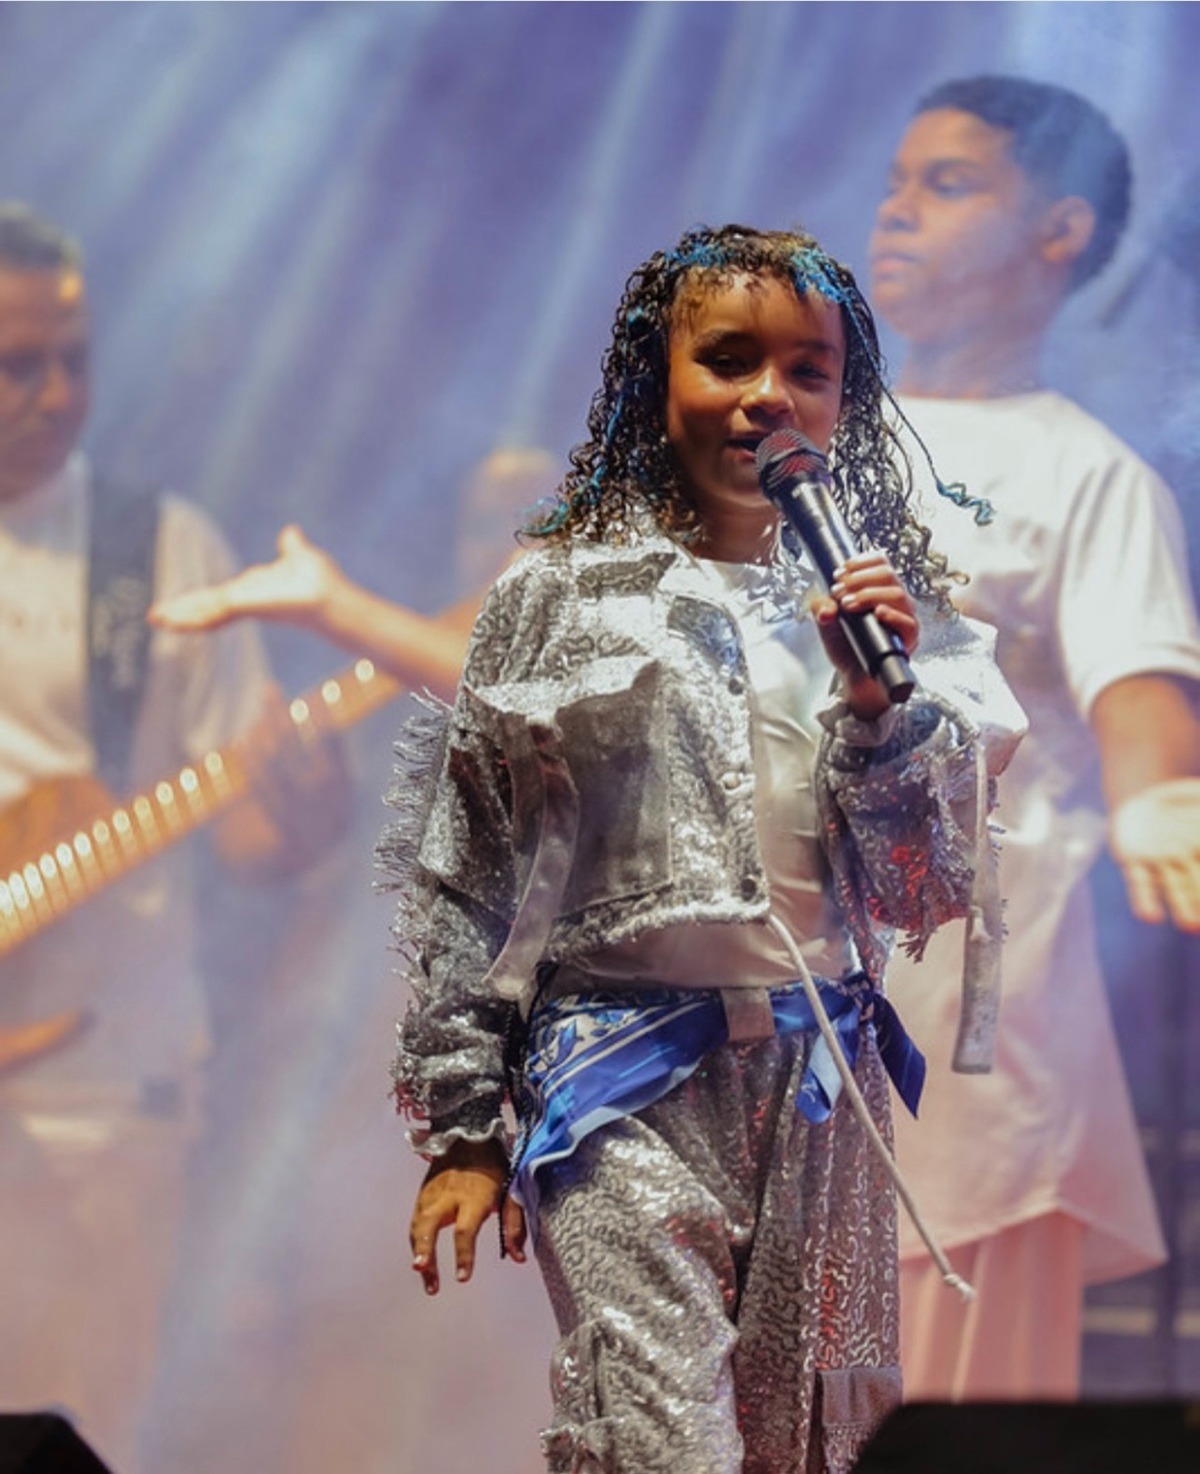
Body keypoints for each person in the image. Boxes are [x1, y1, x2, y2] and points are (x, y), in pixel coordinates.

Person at [384, 223, 1023, 1474]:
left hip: (820, 1082)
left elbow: (924, 888)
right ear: (654, 380)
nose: (766, 396)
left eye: (807, 370)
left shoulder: (897, 613)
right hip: (617, 1072)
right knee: (663, 1437)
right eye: (727, 359)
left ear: (846, 399)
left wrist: (880, 708)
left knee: (811, 1439)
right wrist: (463, 1125)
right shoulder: (555, 598)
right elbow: (476, 865)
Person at [0, 202, 349, 1472]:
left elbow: (248, 834)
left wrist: (306, 807)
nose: (56, 394)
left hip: (102, 1085)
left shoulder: (159, 548)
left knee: (73, 1438)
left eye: (74, 359)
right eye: (17, 364)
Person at [867, 75, 1200, 1400]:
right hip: (759, 1028)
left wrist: (1158, 804)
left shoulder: (1088, 474)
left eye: (949, 183)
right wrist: (346, 613)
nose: (897, 208)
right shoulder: (791, 446)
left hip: (971, 1059)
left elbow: (1139, 696)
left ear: (1059, 231)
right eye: (898, 180)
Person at [148, 445, 560, 699]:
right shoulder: (398, 699)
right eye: (486, 526)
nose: (515, 547)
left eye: (544, 525)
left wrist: (332, 605)